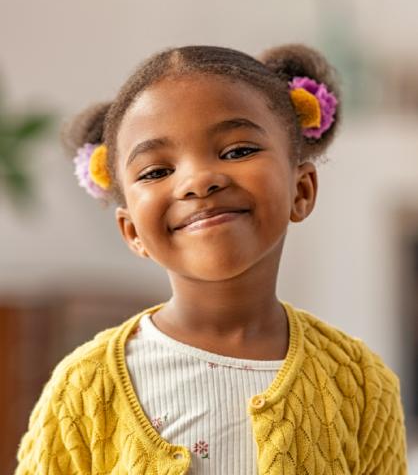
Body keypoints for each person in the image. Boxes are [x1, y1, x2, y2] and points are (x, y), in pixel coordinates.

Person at [15, 44, 408, 474]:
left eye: (237, 151)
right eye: (156, 171)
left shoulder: (361, 382)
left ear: (302, 190)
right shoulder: (84, 388)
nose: (198, 181)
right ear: (132, 231)